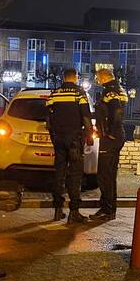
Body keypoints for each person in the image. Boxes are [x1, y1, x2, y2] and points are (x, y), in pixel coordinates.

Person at [46, 68, 93, 223]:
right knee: (75, 175)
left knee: (59, 173)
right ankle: (74, 212)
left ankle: (57, 210)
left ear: (63, 78)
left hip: (58, 139)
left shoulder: (55, 93)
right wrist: (89, 135)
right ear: (76, 77)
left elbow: (48, 118)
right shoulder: (79, 93)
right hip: (74, 139)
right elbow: (86, 116)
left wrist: (54, 134)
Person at [91, 68, 128, 220]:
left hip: (111, 138)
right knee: (111, 175)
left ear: (104, 77)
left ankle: (107, 209)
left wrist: (110, 132)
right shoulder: (120, 90)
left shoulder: (110, 92)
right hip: (117, 136)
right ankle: (110, 208)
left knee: (104, 175)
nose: (97, 80)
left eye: (98, 77)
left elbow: (116, 112)